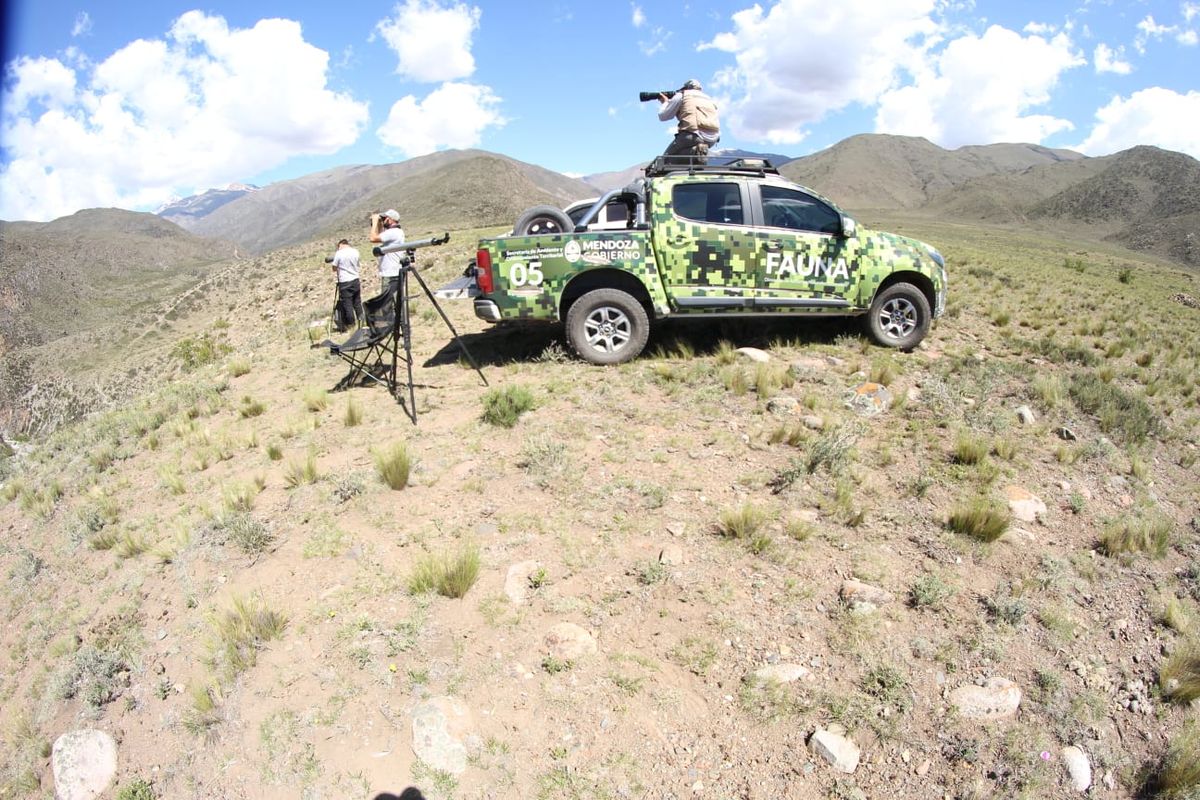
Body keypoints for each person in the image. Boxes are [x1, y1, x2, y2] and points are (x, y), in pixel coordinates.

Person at [658, 79, 720, 162]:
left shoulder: (683, 95)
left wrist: (665, 102)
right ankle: (698, 154)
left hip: (692, 136)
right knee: (686, 157)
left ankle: (695, 152)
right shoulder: (710, 99)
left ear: (686, 88)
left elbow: (663, 116)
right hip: (712, 139)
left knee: (663, 162)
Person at [329, 238, 364, 331]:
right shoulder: (355, 251)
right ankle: (362, 321)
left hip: (345, 282)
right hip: (355, 279)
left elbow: (334, 268)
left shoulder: (339, 253)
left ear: (340, 245)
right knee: (357, 302)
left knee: (347, 304)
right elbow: (358, 264)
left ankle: (351, 324)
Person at [370, 208, 406, 295]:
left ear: (390, 220)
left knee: (387, 304)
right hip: (393, 272)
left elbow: (373, 238)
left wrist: (375, 222)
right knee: (394, 302)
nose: (383, 221)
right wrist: (379, 224)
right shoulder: (396, 231)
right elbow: (379, 236)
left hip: (390, 274)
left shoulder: (393, 232)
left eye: (384, 218)